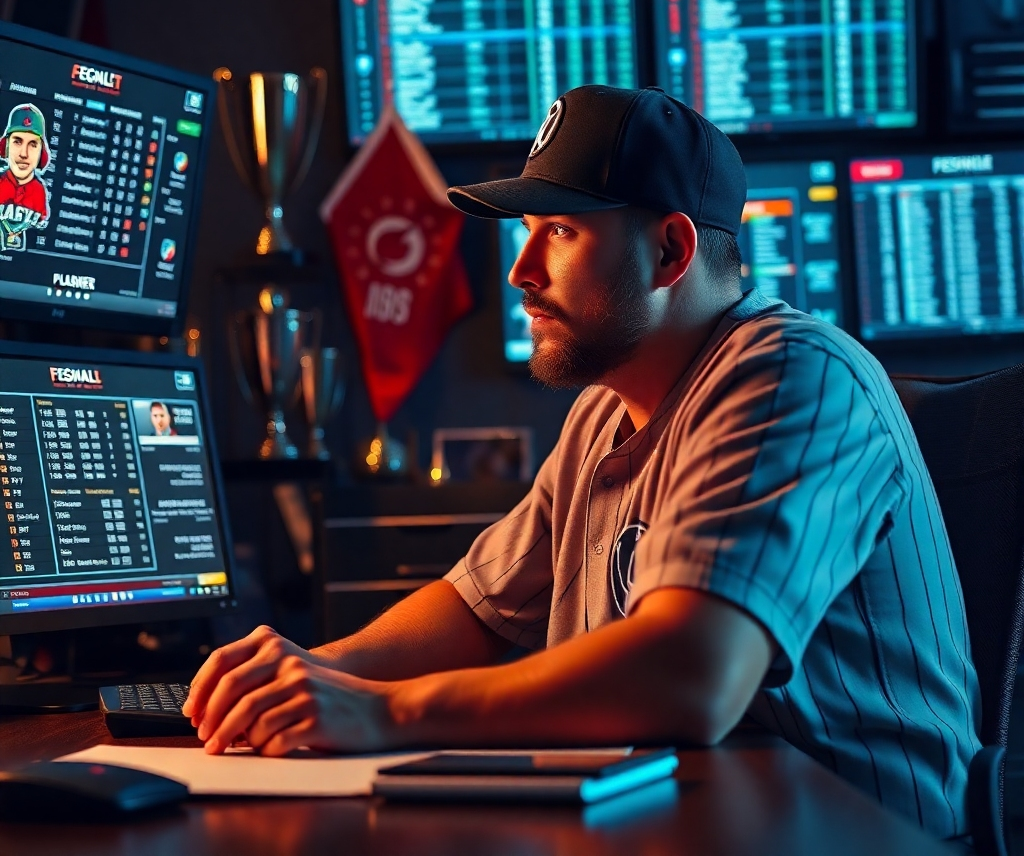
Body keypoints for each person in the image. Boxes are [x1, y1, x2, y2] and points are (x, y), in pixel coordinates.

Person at [183, 86, 980, 838]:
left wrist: (380, 712)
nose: (520, 270)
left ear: (670, 251)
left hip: (852, 832)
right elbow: (475, 608)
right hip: (704, 816)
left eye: (560, 230)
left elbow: (691, 675)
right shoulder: (605, 407)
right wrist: (307, 676)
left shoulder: (791, 373)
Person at [0, 103, 51, 251]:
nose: (24, 154)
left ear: (41, 152)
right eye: (17, 141)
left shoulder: (39, 191)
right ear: (6, 146)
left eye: (33, 144)